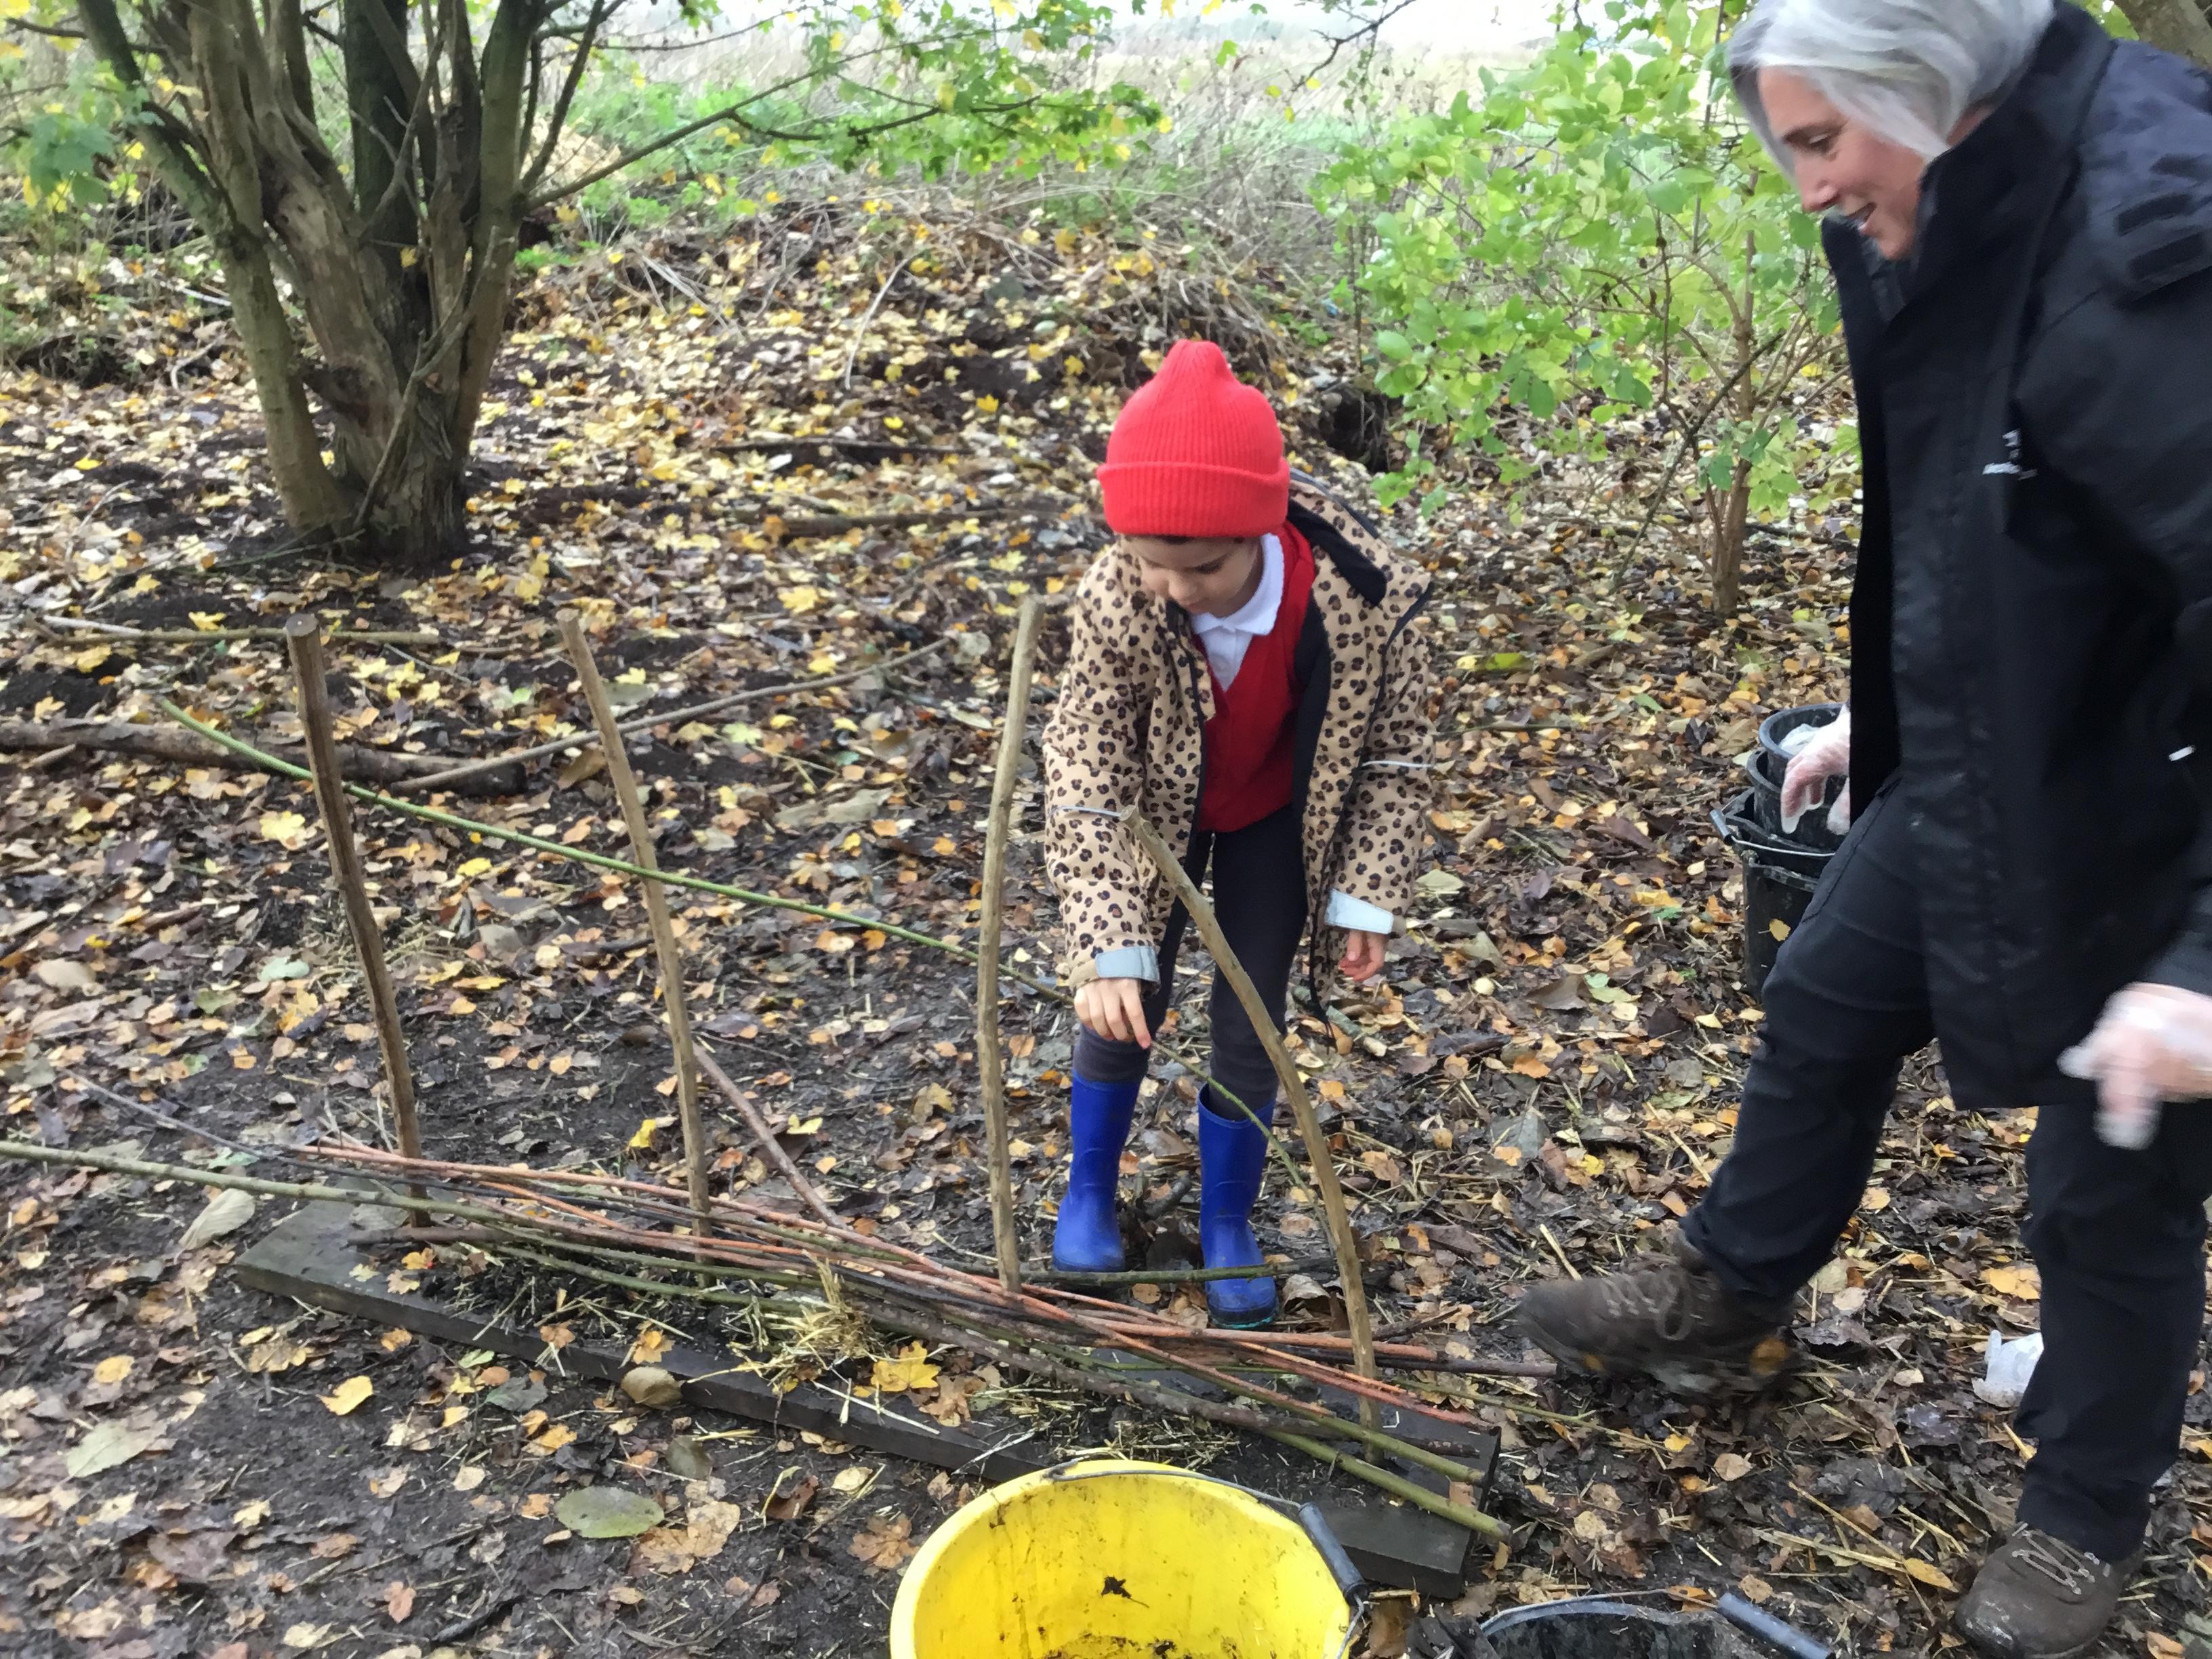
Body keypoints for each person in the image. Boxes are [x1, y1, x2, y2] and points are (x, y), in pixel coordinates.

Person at [1513, 3, 2212, 1652]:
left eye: (1823, 139)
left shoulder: (2154, 245)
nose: (1810, 185)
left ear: (1929, 76)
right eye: (1789, 146)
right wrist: (1882, 713)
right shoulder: (1946, 199)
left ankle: (2079, 1520)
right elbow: (1987, 502)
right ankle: (1728, 1297)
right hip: (2002, 752)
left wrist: (2201, 967)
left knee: (2107, 1182)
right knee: (1823, 1000)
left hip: (2162, 806)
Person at [1041, 340, 1435, 1328]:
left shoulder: (1365, 599)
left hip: (1277, 819)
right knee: (1123, 1001)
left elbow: (1394, 755)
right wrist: (1108, 939)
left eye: (1203, 568)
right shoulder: (1121, 594)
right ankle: (1089, 1190)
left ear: (1259, 529)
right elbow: (1087, 765)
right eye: (1151, 563)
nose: (1175, 589)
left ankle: (1227, 1220)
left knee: (1252, 1015)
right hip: (1152, 816)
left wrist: (1367, 890)